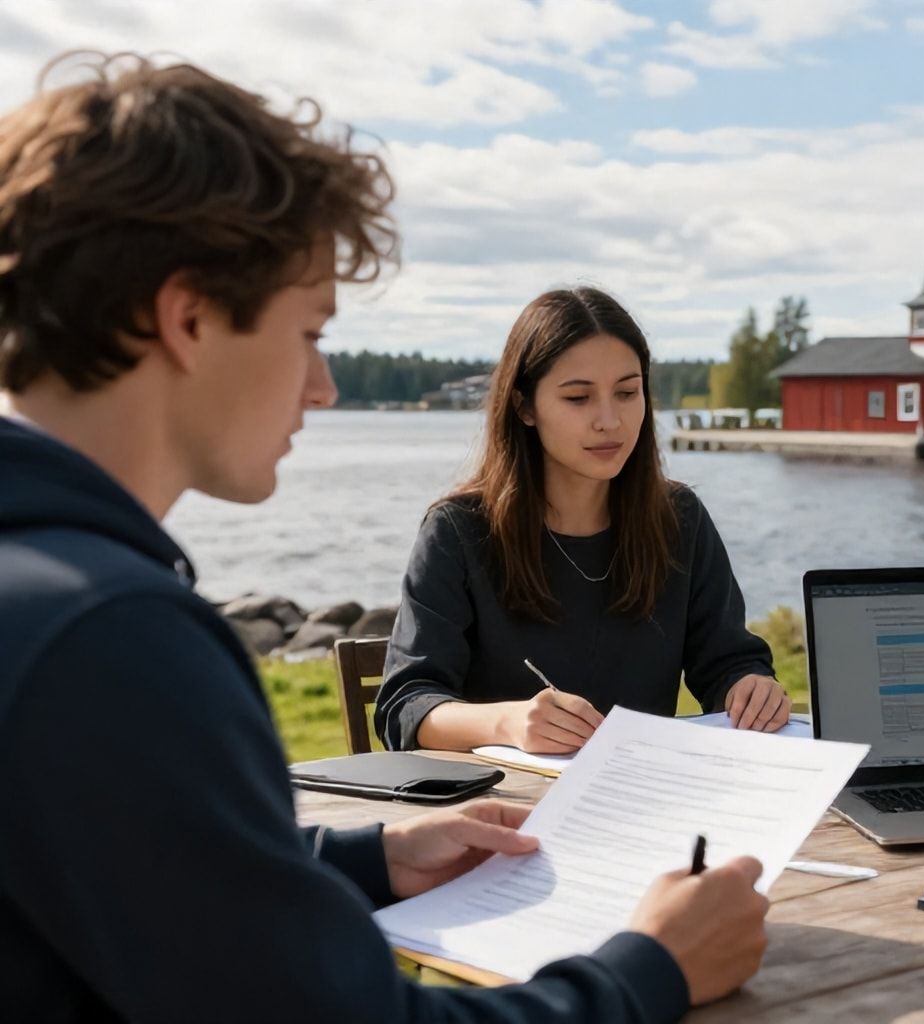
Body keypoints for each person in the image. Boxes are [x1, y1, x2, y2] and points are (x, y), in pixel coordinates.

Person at [0, 53, 768, 1021]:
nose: (322, 387)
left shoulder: (47, 600)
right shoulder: (108, 638)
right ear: (187, 316)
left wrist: (362, 855)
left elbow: (130, 869)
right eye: (312, 332)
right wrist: (651, 967)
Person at [374, 288, 789, 754]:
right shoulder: (458, 532)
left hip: (646, 803)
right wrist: (507, 722)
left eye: (628, 393)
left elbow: (727, 661)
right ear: (524, 407)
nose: (610, 420)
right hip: (501, 809)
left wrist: (750, 686)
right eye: (578, 398)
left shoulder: (680, 521)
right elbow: (406, 705)